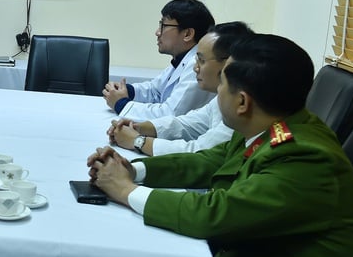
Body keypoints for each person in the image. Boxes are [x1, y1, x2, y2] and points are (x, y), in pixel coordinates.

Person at [88, 34, 353, 257]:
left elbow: (214, 215)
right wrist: (131, 170)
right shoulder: (271, 125)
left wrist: (125, 191)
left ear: (242, 102)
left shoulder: (304, 157)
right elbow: (208, 162)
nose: (217, 93)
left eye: (222, 85)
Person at [107, 22, 253, 156]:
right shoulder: (220, 97)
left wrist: (138, 141)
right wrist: (139, 127)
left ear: (229, 63)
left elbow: (199, 152)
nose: (196, 68)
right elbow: (188, 123)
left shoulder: (240, 106)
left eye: (201, 61)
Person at [102, 0, 215, 121]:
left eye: (163, 26)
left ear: (187, 34)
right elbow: (155, 91)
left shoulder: (197, 66)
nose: (157, 32)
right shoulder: (182, 59)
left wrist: (120, 104)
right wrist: (127, 91)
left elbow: (170, 115)